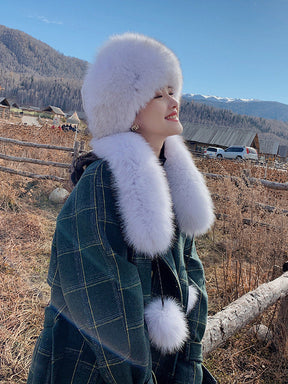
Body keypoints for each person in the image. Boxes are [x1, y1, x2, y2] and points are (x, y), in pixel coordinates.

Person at [27, 33, 216, 384]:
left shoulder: (173, 177)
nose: (172, 101)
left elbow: (192, 273)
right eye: (156, 95)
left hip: (160, 365)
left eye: (171, 90)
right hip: (94, 368)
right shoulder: (103, 183)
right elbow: (103, 301)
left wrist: (191, 360)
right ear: (126, 111)